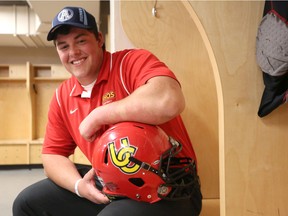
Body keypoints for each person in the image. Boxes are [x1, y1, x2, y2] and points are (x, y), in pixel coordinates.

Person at [13, 6, 202, 216]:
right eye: (63, 46)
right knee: (27, 203)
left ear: (99, 39)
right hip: (111, 184)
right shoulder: (62, 96)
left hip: (169, 187)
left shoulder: (130, 63)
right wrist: (79, 187)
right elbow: (52, 154)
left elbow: (169, 100)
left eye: (81, 40)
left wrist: (98, 115)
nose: (73, 52)